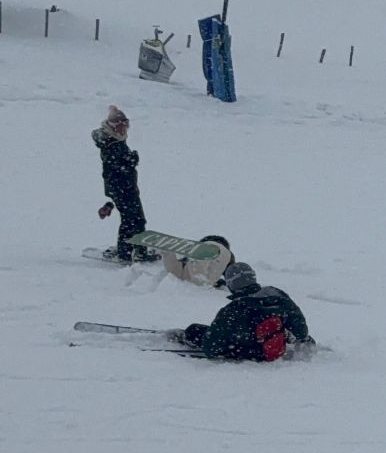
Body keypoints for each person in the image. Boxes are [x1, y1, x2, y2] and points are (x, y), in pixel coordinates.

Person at [178, 263, 311, 361]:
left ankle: (182, 336)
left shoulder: (234, 309)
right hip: (277, 344)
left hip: (255, 352)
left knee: (194, 330)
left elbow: (211, 347)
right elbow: (302, 331)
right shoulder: (277, 295)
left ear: (231, 285)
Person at [92, 105, 156, 262]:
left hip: (125, 186)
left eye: (126, 125)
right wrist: (129, 161)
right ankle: (132, 252)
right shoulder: (110, 143)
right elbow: (114, 166)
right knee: (133, 220)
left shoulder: (116, 139)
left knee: (133, 219)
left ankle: (133, 250)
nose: (124, 129)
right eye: (120, 125)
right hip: (122, 188)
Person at [161, 235, 235, 287]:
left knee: (175, 274)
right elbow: (231, 272)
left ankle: (167, 252)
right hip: (220, 251)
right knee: (200, 280)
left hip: (199, 248)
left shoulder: (201, 247)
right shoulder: (226, 253)